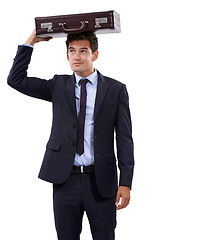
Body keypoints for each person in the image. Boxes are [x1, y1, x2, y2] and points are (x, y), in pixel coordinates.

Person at [7, 30, 134, 240]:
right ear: (67, 55)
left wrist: (126, 182)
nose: (77, 56)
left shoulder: (115, 90)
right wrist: (31, 42)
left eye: (83, 51)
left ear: (95, 54)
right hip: (65, 180)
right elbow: (16, 80)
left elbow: (124, 139)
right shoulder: (58, 85)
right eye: (72, 51)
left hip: (101, 181)